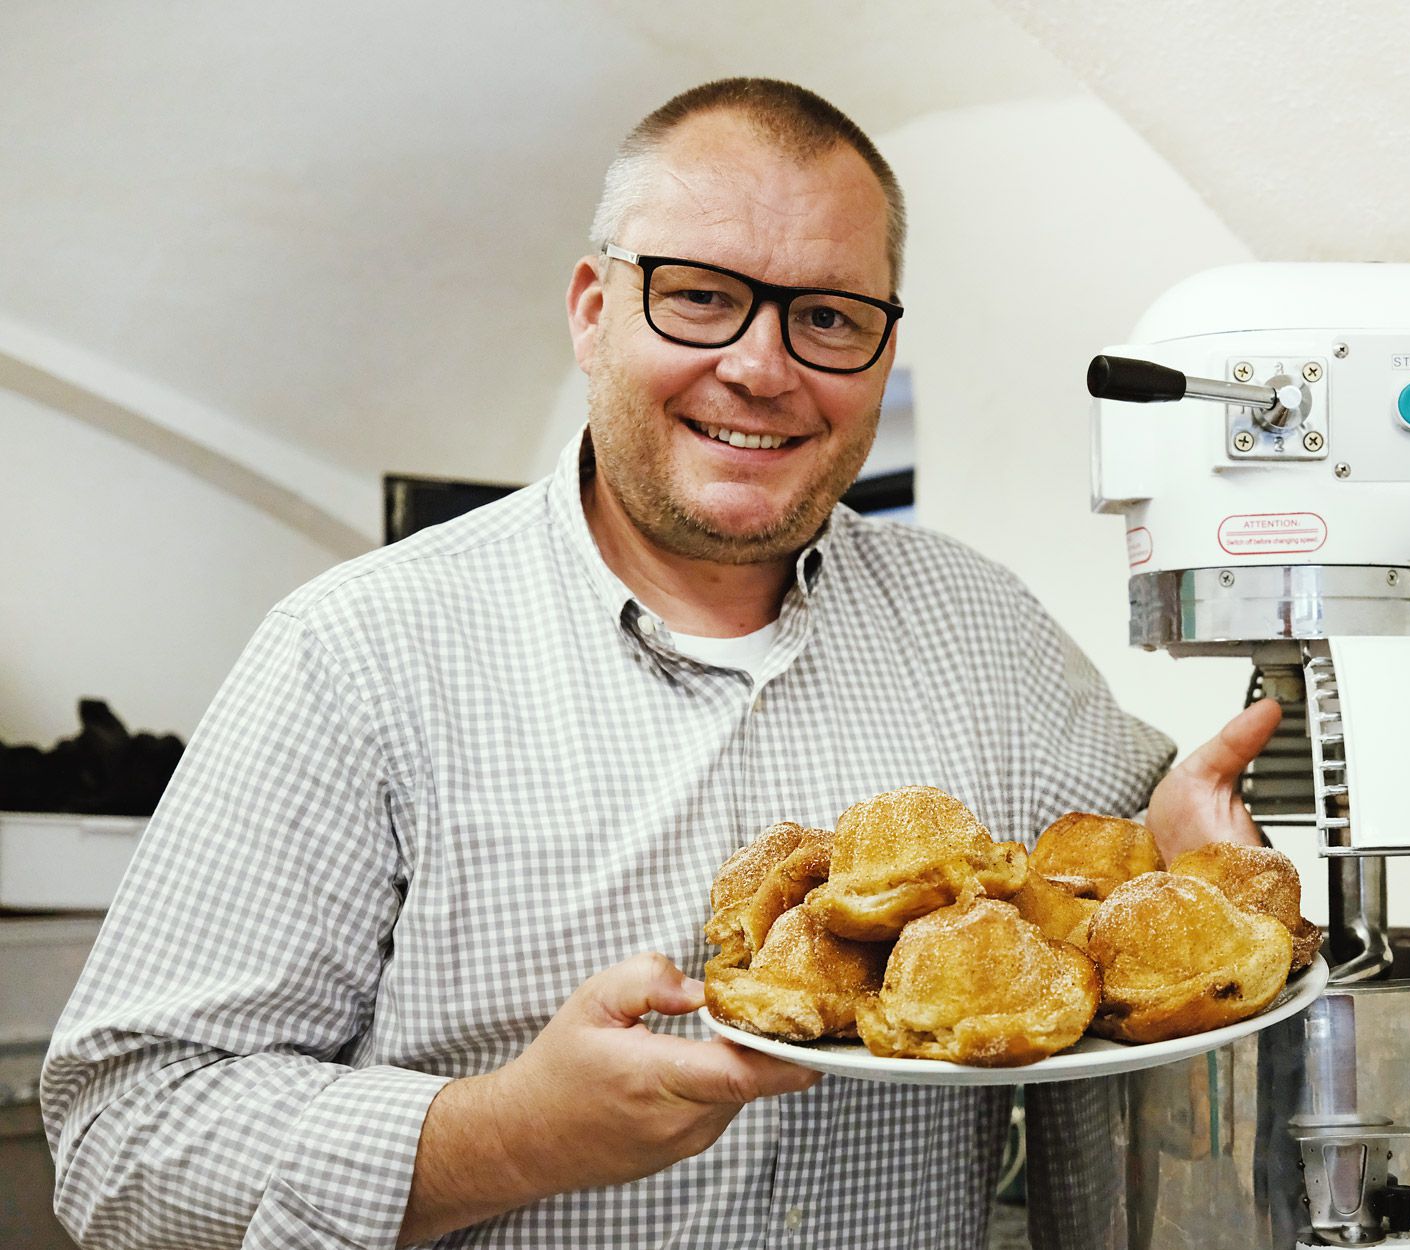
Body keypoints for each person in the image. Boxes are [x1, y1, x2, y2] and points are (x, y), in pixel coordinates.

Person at [42, 77, 1282, 1249]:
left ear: (881, 355)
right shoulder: (353, 653)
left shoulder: (984, 630)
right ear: (592, 307)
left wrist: (1179, 850)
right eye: (697, 295)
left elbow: (1107, 945)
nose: (761, 365)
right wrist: (513, 1134)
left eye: (829, 317)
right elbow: (121, 1133)